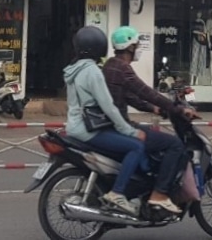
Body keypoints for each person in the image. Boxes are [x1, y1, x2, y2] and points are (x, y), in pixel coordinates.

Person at [104, 26, 200, 216]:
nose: (139, 48)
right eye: (137, 45)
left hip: (113, 125)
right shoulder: (123, 69)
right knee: (174, 145)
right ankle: (159, 193)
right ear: (130, 47)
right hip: (121, 127)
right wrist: (177, 109)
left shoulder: (110, 65)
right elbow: (146, 92)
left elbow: (130, 97)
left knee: (152, 137)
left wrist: (154, 109)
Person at [64, 26, 147, 217]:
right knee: (136, 146)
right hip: (88, 129)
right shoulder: (92, 71)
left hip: (74, 127)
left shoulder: (73, 69)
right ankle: (117, 193)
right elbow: (109, 107)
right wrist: (130, 131)